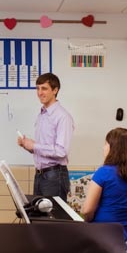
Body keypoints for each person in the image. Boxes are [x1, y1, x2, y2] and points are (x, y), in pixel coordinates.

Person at [81, 128, 127, 240]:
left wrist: (88, 222)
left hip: (104, 234)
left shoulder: (103, 173)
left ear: (114, 148)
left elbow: (87, 210)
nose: (103, 147)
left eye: (106, 144)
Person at [17, 72, 74, 201]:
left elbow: (61, 151)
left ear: (55, 90)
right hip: (40, 175)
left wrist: (34, 145)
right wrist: (27, 146)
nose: (39, 92)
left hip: (55, 176)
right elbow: (43, 149)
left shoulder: (63, 117)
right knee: (39, 218)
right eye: (37, 88)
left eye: (44, 88)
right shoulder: (42, 115)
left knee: (53, 219)